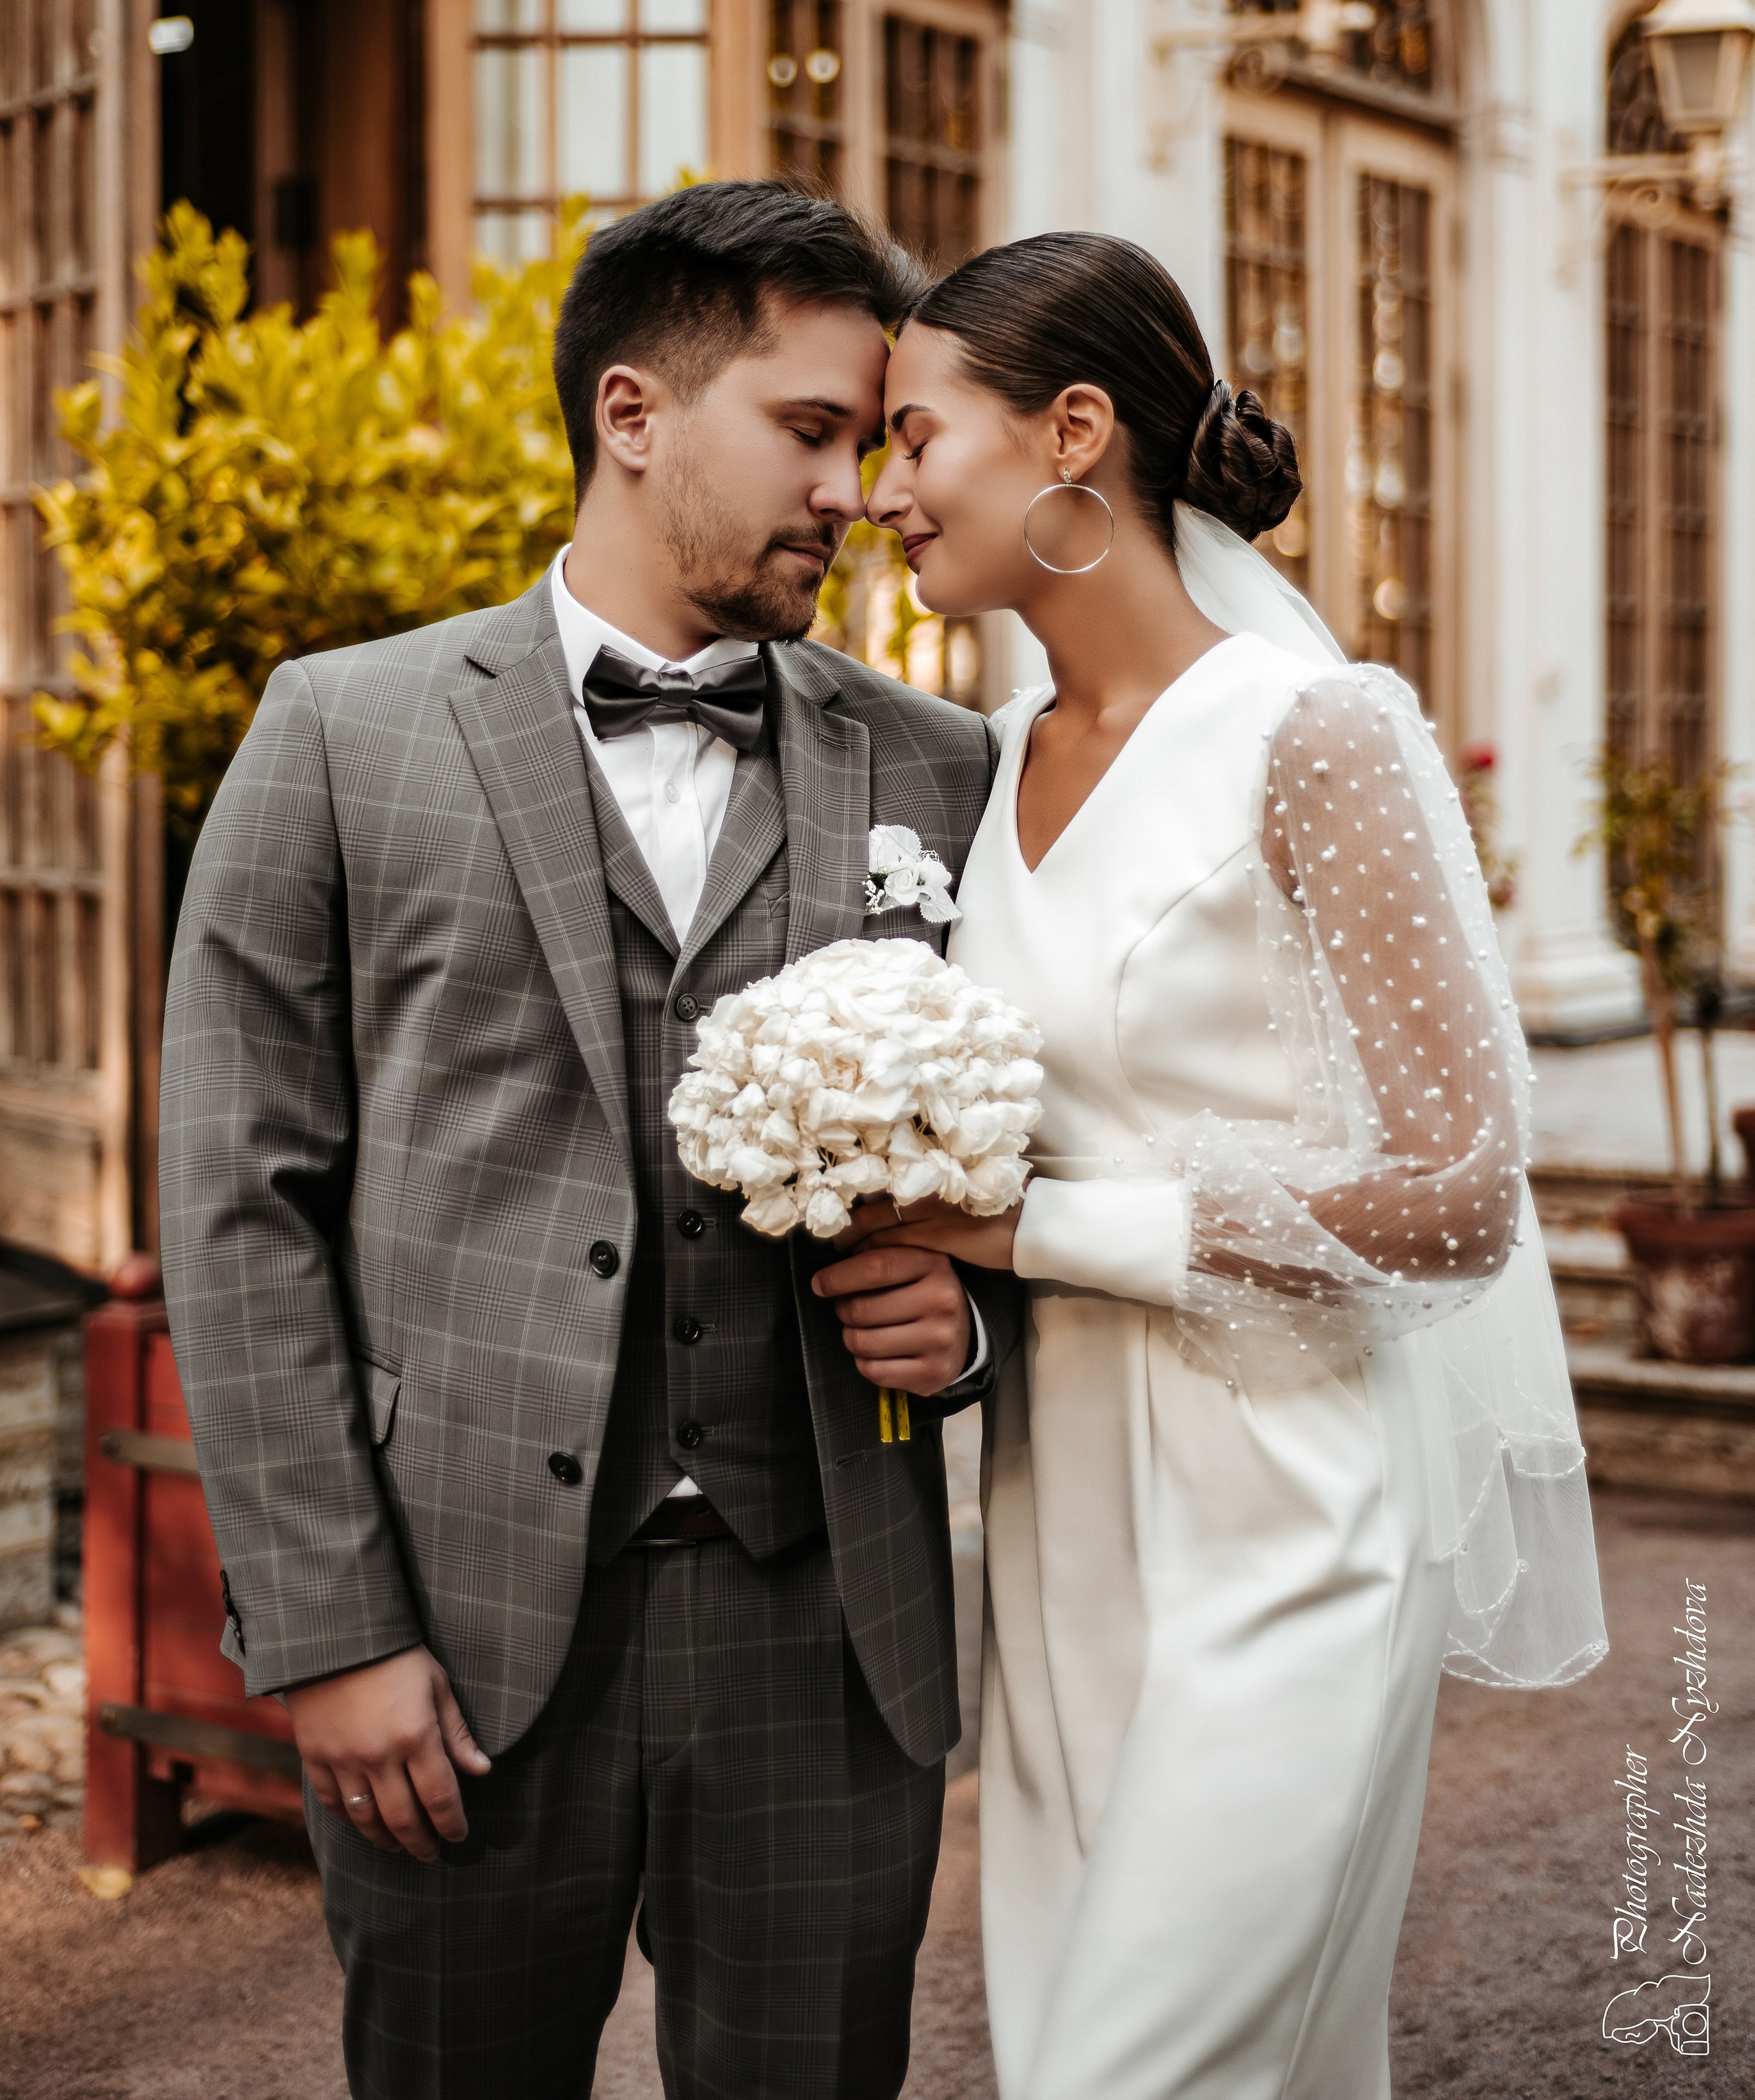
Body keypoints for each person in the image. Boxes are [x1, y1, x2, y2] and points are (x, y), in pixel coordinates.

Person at [158, 180, 1021, 2100]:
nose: (857, 493)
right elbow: (237, 1201)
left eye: (872, 440)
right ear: (633, 413)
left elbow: (1045, 1147)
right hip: (453, 1648)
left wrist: (965, 1326)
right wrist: (331, 1631)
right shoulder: (340, 732)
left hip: (828, 1645)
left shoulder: (945, 769)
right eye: (811, 429)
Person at [856, 230, 1607, 2100]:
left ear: (1073, 435)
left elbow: (1457, 1191)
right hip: (1053, 1532)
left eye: (914, 436)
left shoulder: (1311, 736)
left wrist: (1022, 1223)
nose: (880, 494)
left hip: (1286, 1515)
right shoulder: (997, 752)